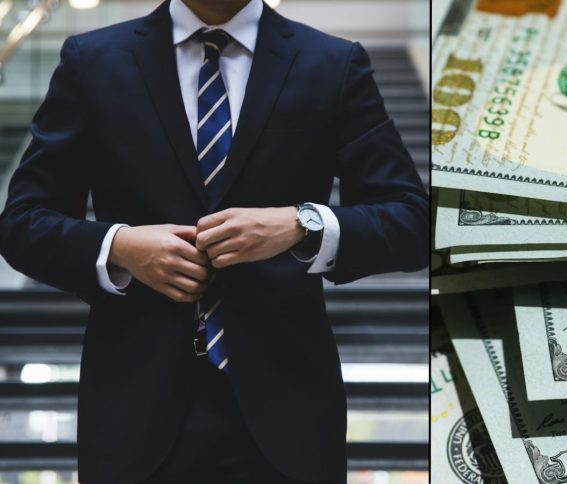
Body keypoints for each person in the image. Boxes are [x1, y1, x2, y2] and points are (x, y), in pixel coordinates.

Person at [0, 0, 428, 482]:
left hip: (289, 416)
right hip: (133, 412)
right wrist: (119, 247)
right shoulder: (94, 59)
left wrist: (302, 223)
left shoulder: (332, 62)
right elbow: (22, 223)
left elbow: (410, 220)